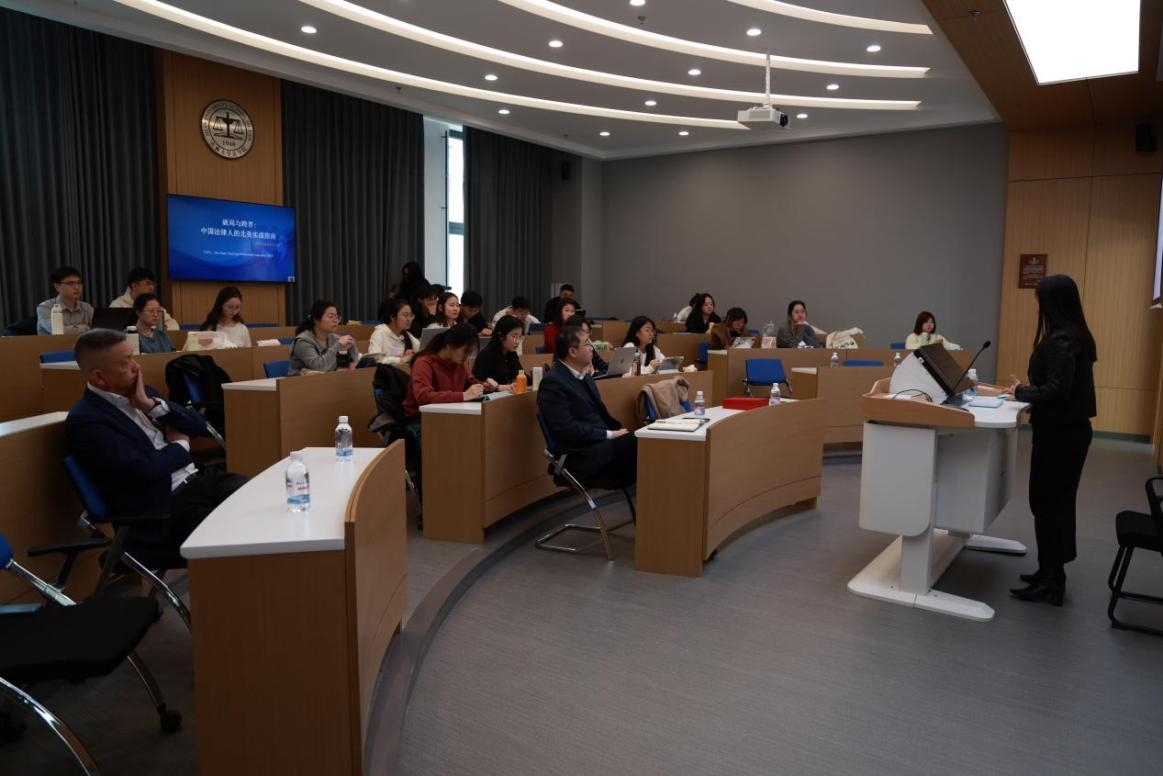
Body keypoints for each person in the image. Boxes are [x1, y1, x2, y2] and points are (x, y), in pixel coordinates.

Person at [65, 329, 246, 548]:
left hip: (199, 479)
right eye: (126, 362)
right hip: (166, 506)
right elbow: (145, 469)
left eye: (133, 357)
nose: (136, 367)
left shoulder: (142, 393)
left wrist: (149, 405)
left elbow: (199, 426)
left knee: (259, 499)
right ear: (99, 377)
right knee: (237, 527)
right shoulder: (87, 420)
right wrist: (181, 444)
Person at [1005, 275, 1097, 606]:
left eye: (1038, 299)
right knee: (1053, 504)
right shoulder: (1073, 336)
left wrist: (1021, 392)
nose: (1035, 305)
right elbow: (1058, 385)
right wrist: (1028, 390)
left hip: (1061, 435)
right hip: (1065, 432)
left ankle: (1052, 582)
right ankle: (1049, 572)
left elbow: (1058, 391)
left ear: (1053, 303)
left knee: (1048, 505)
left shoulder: (1062, 340)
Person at [537, 326, 636, 488]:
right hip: (580, 456)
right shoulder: (553, 383)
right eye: (587, 344)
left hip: (600, 447)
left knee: (648, 440)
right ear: (573, 352)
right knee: (642, 443)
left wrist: (616, 433)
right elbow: (567, 428)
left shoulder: (585, 377)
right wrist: (610, 435)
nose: (592, 348)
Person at [402, 324, 491, 419]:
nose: (467, 356)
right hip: (421, 419)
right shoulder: (423, 363)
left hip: (447, 415)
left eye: (470, 352)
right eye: (466, 351)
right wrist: (463, 395)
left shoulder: (457, 364)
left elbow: (471, 382)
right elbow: (423, 397)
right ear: (449, 345)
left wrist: (485, 386)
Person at [289, 300, 360, 376]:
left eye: (337, 317)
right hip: (302, 381)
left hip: (328, 379)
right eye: (330, 317)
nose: (335, 320)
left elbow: (352, 364)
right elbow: (320, 367)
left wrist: (351, 347)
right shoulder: (303, 341)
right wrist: (337, 346)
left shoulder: (334, 338)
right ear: (316, 320)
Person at [109, 267, 179, 330]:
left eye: (153, 284)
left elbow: (174, 325)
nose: (152, 287)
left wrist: (163, 328)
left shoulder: (154, 304)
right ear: (134, 285)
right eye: (148, 283)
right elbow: (113, 331)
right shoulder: (118, 305)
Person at [36, 265, 94, 335]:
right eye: (71, 283)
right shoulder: (45, 307)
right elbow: (58, 331)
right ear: (57, 286)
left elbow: (99, 330)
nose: (77, 287)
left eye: (79, 283)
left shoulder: (86, 307)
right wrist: (82, 328)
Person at [472, 315, 524, 389]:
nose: (518, 341)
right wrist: (499, 387)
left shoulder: (512, 354)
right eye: (514, 336)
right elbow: (478, 384)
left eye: (520, 337)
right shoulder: (486, 355)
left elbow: (520, 375)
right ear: (501, 336)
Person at [368, 298, 419, 365]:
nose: (409, 319)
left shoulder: (407, 335)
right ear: (392, 317)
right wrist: (400, 359)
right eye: (405, 315)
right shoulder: (379, 333)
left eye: (411, 315)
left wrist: (412, 355)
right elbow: (374, 360)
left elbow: (422, 349)